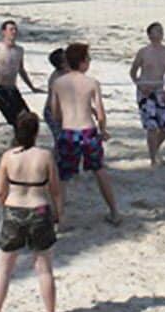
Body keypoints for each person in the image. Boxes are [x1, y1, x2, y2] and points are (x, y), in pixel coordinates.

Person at [0, 112, 63, 312]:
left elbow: (0, 192)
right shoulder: (45, 156)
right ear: (37, 132)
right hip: (39, 208)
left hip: (14, 208)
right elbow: (55, 190)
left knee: (4, 269)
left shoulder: (8, 157)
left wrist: (5, 209)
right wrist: (59, 213)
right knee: (45, 268)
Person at [49, 43, 120, 226]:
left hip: (68, 131)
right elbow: (101, 114)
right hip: (88, 131)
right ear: (81, 62)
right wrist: (103, 130)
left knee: (63, 176)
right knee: (99, 170)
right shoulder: (92, 83)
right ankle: (114, 211)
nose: (89, 62)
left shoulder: (58, 83)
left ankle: (59, 216)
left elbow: (55, 112)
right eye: (88, 59)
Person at [129, 22, 165, 166]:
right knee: (152, 127)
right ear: (149, 35)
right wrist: (140, 86)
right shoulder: (143, 52)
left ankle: (155, 150)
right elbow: (133, 72)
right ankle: (153, 159)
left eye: (161, 30)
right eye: (157, 31)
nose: (160, 33)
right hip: (145, 91)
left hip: (159, 91)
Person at [0, 20, 43, 126]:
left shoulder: (19, 50)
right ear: (4, 32)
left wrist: (32, 87)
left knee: (26, 116)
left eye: (15, 29)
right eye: (11, 29)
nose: (14, 32)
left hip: (13, 88)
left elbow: (21, 70)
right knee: (15, 120)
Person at [43, 48, 68, 143]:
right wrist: (59, 119)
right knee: (61, 141)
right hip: (53, 112)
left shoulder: (67, 73)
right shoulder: (58, 79)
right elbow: (55, 103)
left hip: (63, 111)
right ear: (62, 64)